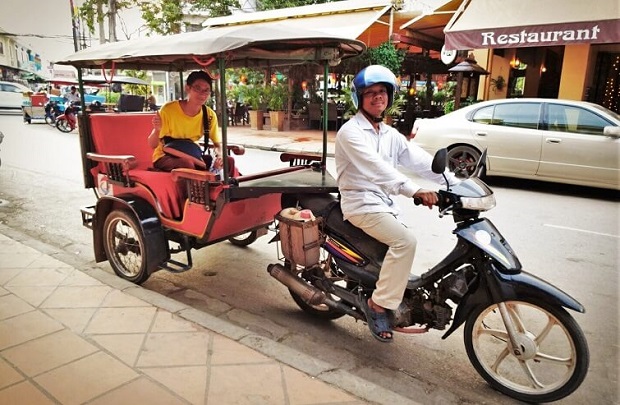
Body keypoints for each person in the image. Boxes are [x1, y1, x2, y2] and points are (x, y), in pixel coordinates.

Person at [334, 65, 457, 343]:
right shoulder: (350, 132)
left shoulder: (389, 134)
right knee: (405, 242)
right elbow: (378, 170)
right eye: (370, 93)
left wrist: (453, 182)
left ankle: (384, 289)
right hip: (361, 204)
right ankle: (377, 305)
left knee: (396, 246)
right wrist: (415, 191)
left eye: (382, 92)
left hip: (385, 205)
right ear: (359, 98)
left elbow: (420, 161)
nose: (378, 97)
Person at [148, 70, 223, 172]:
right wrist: (157, 130)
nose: (202, 93)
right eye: (197, 88)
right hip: (165, 156)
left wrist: (219, 156)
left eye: (206, 90)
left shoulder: (209, 115)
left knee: (229, 161)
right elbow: (152, 145)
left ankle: (223, 187)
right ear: (187, 88)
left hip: (192, 155)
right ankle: (198, 188)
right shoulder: (168, 110)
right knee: (186, 163)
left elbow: (217, 144)